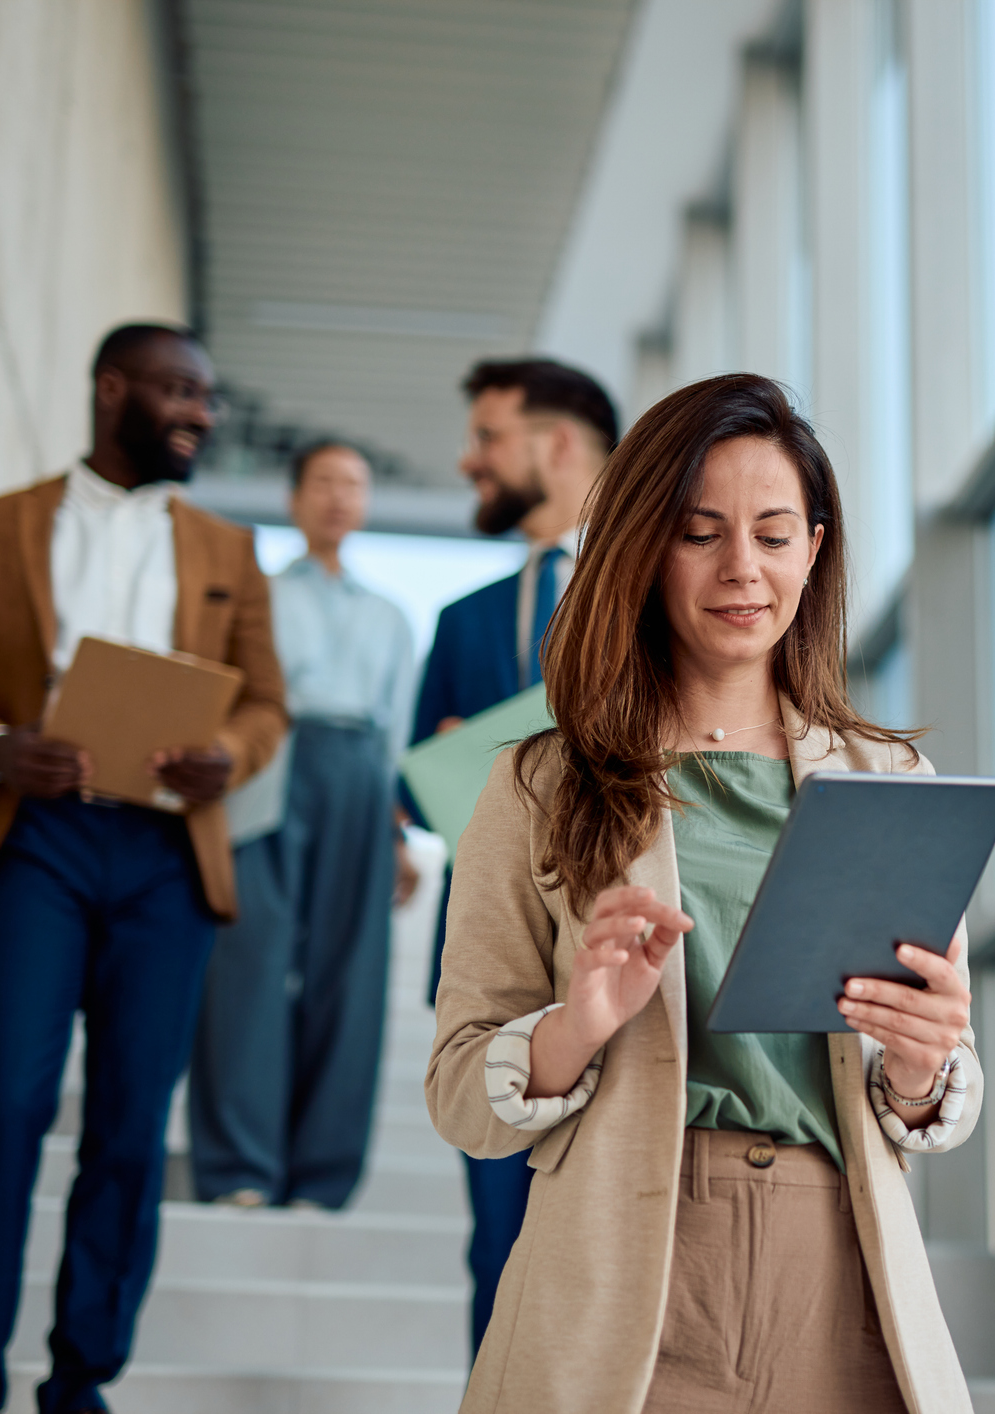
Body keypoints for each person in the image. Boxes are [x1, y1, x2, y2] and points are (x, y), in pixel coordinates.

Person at [427, 373, 981, 1413]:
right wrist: (574, 1026)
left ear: (813, 550)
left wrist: (921, 1063)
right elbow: (461, 1089)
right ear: (642, 546)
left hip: (844, 1272)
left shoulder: (887, 786)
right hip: (626, 1273)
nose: (742, 569)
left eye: (774, 535)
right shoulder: (536, 785)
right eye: (698, 533)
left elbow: (931, 1093)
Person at [0, 323, 288, 1414]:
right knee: (5, 1099)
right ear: (112, 389)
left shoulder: (230, 550)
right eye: (177, 391)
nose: (199, 413)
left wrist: (229, 757)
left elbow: (265, 703)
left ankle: (80, 1380)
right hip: (31, 840)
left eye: (206, 396)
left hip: (165, 855)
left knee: (125, 1123)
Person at [404, 356, 619, 1356]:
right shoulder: (462, 622)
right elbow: (413, 787)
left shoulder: (661, 595)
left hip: (629, 953)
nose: (469, 459)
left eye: (488, 437)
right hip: (496, 961)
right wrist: (454, 759)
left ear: (558, 443)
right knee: (498, 1237)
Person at [187, 441, 419, 1210]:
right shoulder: (257, 594)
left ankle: (322, 1175)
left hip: (359, 777)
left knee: (350, 976)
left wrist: (396, 835)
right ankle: (239, 1167)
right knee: (247, 963)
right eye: (323, 483)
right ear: (293, 499)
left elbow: (396, 735)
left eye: (353, 484)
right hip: (270, 768)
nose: (337, 497)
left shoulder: (390, 616)